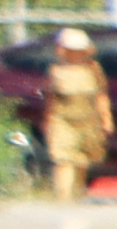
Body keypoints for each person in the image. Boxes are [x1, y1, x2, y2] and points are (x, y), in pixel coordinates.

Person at [43, 26, 112, 204]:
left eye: (79, 50)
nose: (76, 54)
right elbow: (52, 99)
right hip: (63, 120)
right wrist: (49, 121)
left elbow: (101, 95)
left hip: (89, 120)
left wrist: (106, 119)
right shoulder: (56, 71)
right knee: (63, 158)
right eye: (72, 50)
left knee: (82, 159)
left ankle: (77, 192)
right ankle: (63, 197)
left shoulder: (93, 69)